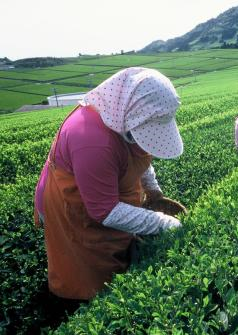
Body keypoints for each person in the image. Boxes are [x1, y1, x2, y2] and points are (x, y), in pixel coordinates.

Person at [34, 67, 186, 301]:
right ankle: (78, 304)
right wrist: (163, 223)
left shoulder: (124, 116)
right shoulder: (92, 140)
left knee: (117, 246)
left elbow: (142, 153)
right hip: (74, 203)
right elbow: (103, 210)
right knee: (89, 268)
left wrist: (152, 190)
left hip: (102, 185)